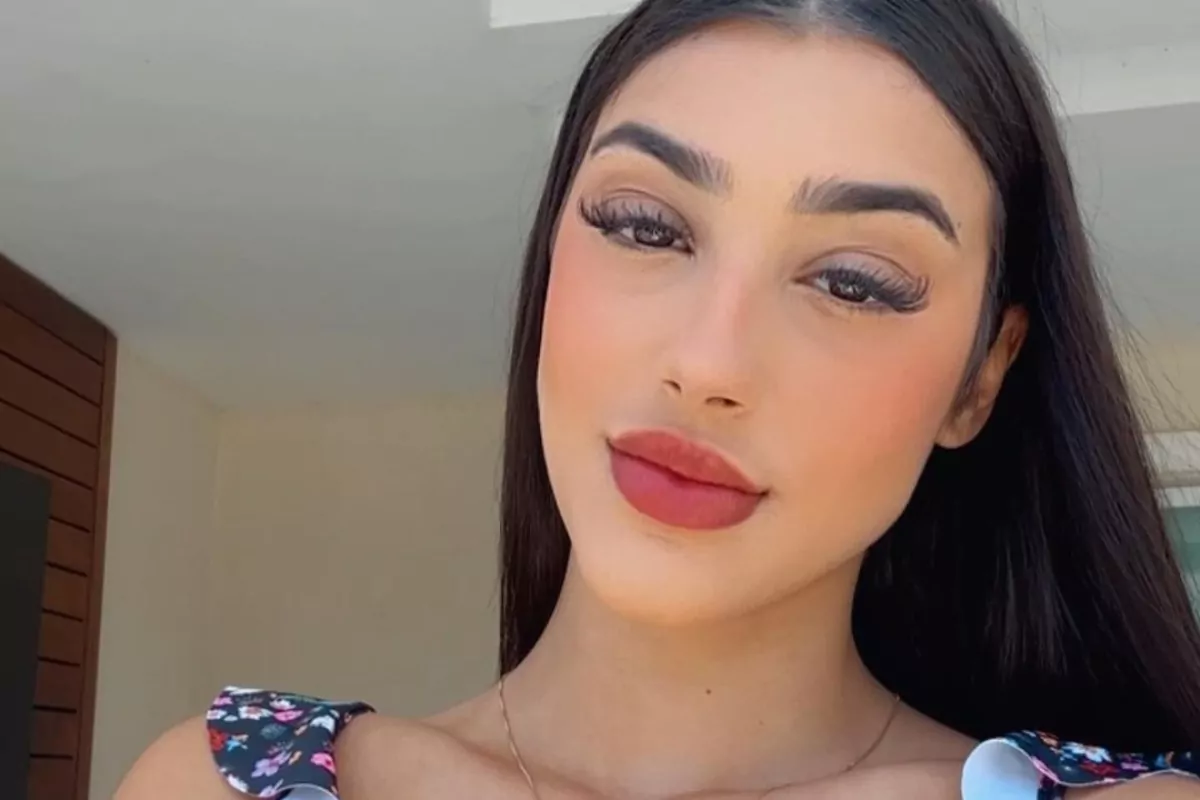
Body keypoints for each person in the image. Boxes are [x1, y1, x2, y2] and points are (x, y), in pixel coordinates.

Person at [117, 0, 1200, 797]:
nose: (709, 362)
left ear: (981, 378)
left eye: (852, 282)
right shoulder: (224, 784)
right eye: (645, 226)